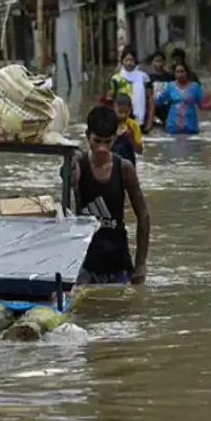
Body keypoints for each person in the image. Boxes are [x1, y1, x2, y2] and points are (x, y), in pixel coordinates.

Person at [68, 105, 150, 286]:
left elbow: (143, 215)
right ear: (87, 135)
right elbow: (64, 204)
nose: (102, 148)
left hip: (118, 258)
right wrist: (71, 179)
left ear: (115, 138)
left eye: (108, 142)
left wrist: (141, 264)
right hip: (86, 260)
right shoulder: (78, 164)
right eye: (96, 141)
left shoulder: (124, 168)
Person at [107, 47, 154, 133]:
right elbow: (110, 101)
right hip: (121, 119)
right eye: (126, 60)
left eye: (132, 60)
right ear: (122, 61)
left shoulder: (144, 77)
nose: (129, 63)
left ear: (135, 61)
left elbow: (150, 100)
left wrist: (150, 122)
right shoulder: (116, 79)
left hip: (140, 120)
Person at [155, 61, 204, 135]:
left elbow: (202, 105)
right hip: (173, 126)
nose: (180, 74)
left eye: (182, 71)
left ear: (187, 72)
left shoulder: (195, 87)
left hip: (190, 126)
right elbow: (158, 101)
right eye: (177, 72)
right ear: (174, 74)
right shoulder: (170, 86)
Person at [111, 93, 143, 166]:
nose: (123, 115)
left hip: (129, 161)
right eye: (120, 112)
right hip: (112, 162)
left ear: (130, 110)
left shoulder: (133, 125)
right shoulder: (110, 123)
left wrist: (131, 138)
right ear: (114, 108)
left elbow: (140, 151)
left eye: (126, 112)